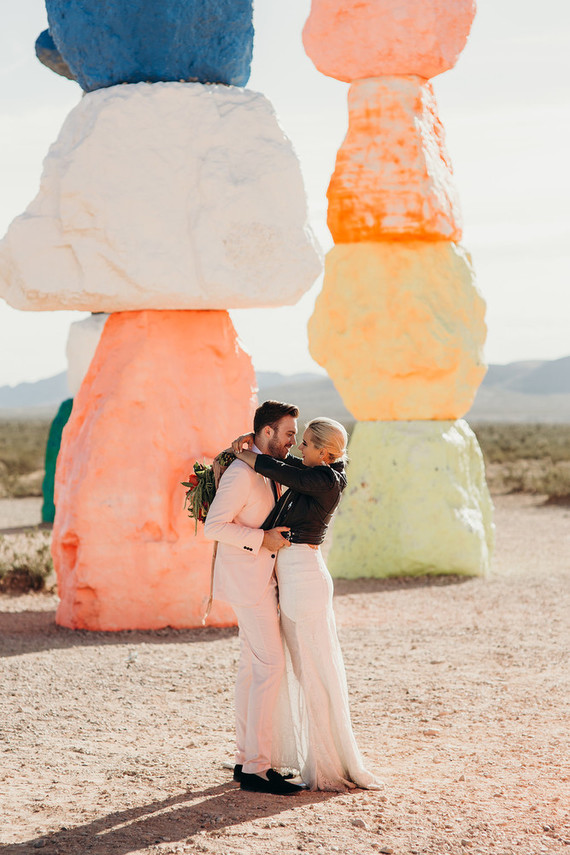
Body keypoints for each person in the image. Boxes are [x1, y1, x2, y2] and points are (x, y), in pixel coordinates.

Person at [232, 418, 381, 792]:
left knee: (313, 672)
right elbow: (289, 466)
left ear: (326, 453)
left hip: (305, 581)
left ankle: (327, 763)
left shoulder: (328, 480)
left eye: (308, 445)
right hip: (295, 578)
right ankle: (286, 758)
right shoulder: (319, 470)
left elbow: (283, 470)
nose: (301, 449)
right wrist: (253, 448)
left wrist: (247, 456)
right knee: (300, 670)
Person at [203, 400, 303, 796]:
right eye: (289, 434)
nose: (293, 441)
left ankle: (247, 761)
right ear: (266, 433)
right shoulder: (242, 474)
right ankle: (258, 769)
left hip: (261, 579)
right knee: (270, 666)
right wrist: (261, 540)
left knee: (253, 667)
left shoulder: (266, 467)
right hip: (249, 580)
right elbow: (215, 526)